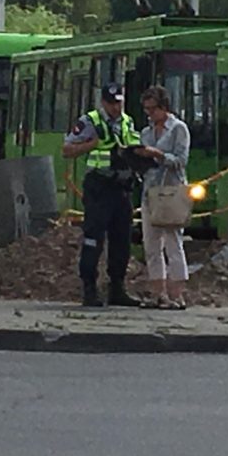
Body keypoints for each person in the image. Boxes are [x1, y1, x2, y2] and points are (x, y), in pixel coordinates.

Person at [62, 82, 142, 308]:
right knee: (93, 238)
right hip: (99, 186)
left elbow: (133, 147)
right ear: (103, 102)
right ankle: (89, 289)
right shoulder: (90, 121)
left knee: (122, 240)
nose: (116, 107)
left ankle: (117, 288)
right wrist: (89, 145)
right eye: (112, 103)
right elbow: (66, 150)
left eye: (119, 102)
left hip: (122, 187)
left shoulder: (127, 121)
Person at [135, 86, 191, 310]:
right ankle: (158, 293)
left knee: (173, 243)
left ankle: (177, 295)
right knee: (151, 244)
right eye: (146, 110)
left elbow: (181, 160)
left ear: (164, 107)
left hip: (172, 191)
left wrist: (158, 154)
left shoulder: (178, 129)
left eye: (152, 109)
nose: (149, 114)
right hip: (150, 192)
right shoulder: (146, 132)